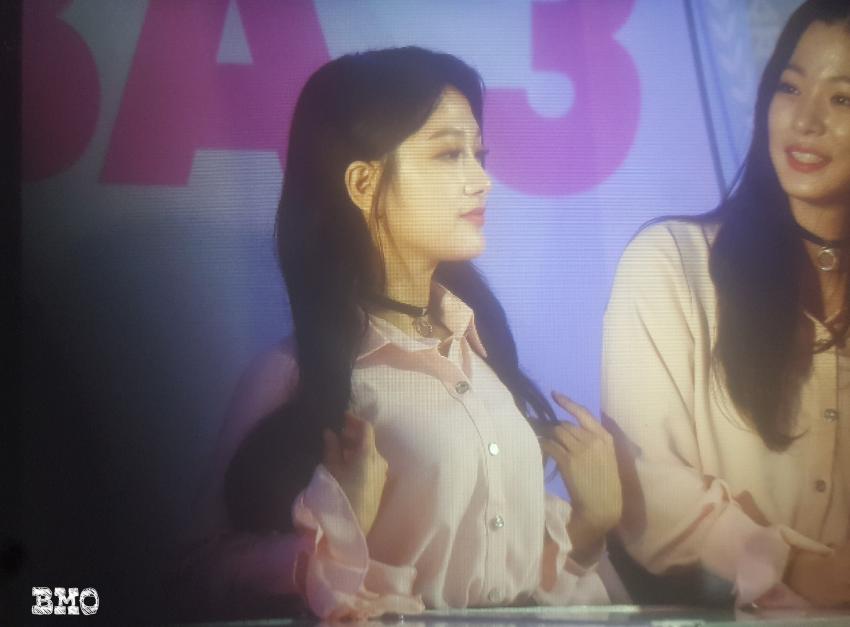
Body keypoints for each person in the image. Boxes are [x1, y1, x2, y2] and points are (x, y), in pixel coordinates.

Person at [180, 47, 621, 621]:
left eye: (479, 155)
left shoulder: (480, 356)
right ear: (364, 183)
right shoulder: (292, 373)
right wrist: (333, 534)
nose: (482, 181)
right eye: (449, 154)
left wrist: (588, 528)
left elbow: (509, 588)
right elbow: (198, 576)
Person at [603, 0, 850, 609]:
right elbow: (649, 492)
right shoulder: (673, 263)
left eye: (842, 99)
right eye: (790, 87)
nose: (806, 121)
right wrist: (793, 568)